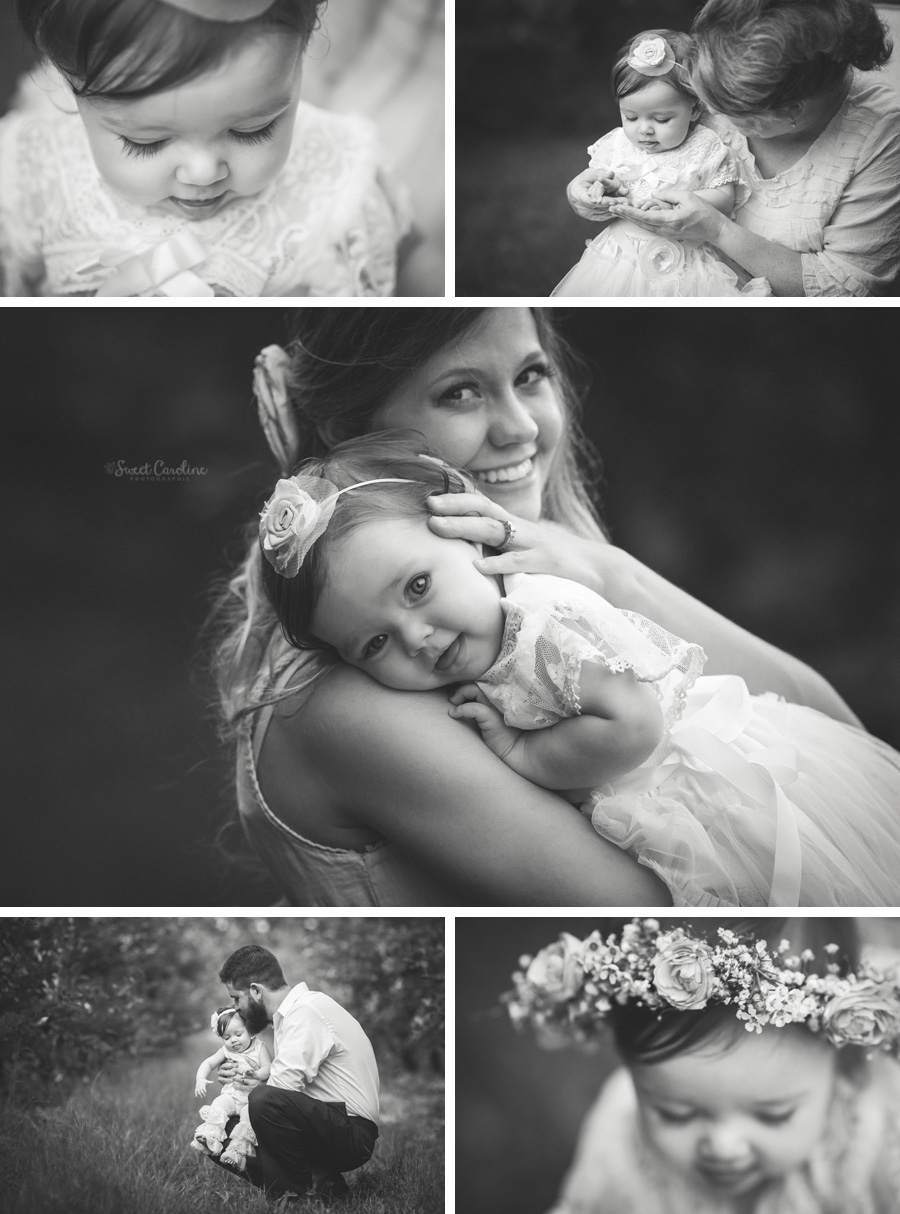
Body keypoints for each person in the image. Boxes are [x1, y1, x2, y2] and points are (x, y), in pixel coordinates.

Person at [211, 306, 861, 908]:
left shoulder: (517, 607)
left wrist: (599, 569)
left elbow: (837, 737)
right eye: (458, 392)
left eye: (530, 375)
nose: (521, 426)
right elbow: (649, 915)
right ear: (351, 434)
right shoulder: (359, 698)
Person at [0, 0, 417, 297]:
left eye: (253, 130)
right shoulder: (32, 172)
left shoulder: (337, 186)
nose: (203, 172)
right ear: (73, 92)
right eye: (146, 142)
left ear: (298, 64)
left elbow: (405, 271)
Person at [508, 918, 900, 1214]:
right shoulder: (619, 1150)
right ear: (631, 1070)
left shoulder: (874, 1145)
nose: (723, 1147)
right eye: (676, 1114)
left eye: (774, 1116)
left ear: (843, 1064)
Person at [568, 0, 900, 297]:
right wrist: (591, 192)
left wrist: (716, 228)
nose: (709, 113)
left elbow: (845, 289)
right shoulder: (718, 63)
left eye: (734, 111)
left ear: (792, 111)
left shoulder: (881, 135)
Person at [552, 30, 769, 298]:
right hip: (620, 256)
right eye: (631, 117)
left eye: (662, 120)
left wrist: (678, 201)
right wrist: (602, 188)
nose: (644, 130)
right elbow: (602, 180)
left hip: (687, 260)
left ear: (695, 109)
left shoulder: (705, 145)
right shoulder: (617, 144)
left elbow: (724, 197)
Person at [206, 944, 379, 1200]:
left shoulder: (305, 1013)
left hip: (351, 1133)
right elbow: (282, 1093)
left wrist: (252, 1092)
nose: (235, 1009)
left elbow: (278, 1094)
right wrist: (240, 1084)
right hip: (328, 1121)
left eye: (236, 998)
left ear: (255, 991)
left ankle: (294, 1197)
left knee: (262, 1101)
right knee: (216, 1133)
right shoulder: (292, 1016)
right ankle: (324, 1187)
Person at [192, 1006, 272, 1170]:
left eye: (238, 1034)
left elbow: (267, 1068)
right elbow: (209, 1063)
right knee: (219, 1103)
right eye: (227, 1037)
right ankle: (209, 1137)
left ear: (250, 1031)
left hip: (251, 1100)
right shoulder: (225, 1051)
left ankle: (236, 1152)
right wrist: (200, 1078)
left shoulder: (259, 1047)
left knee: (247, 1120)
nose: (233, 1040)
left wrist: (256, 1074)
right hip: (232, 1096)